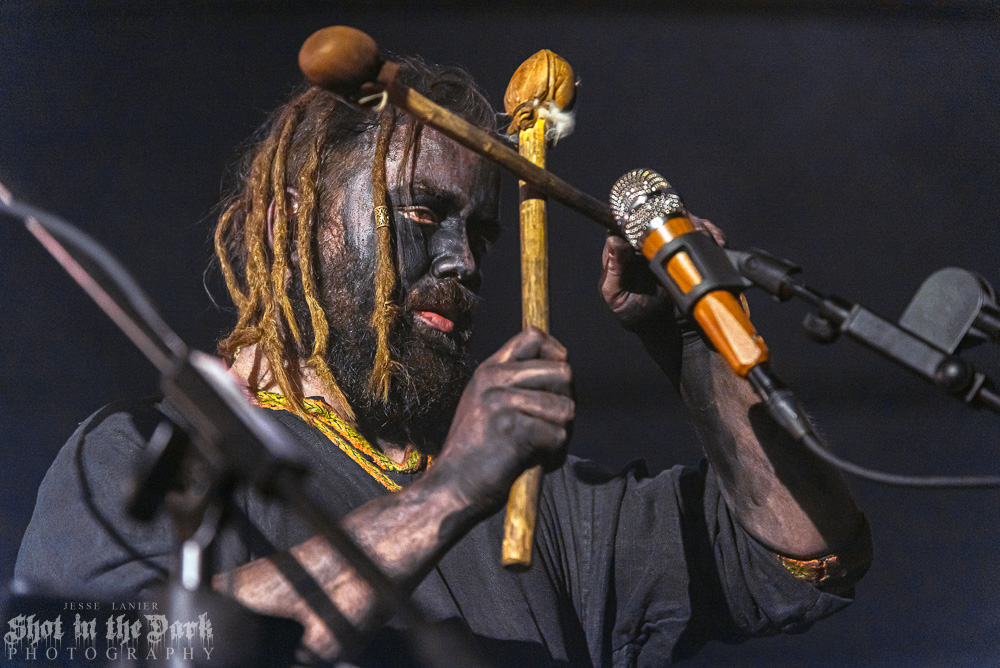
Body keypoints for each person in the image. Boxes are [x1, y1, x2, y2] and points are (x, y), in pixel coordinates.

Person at [15, 56, 871, 666]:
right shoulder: (138, 455)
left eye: (482, 235)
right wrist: (446, 494)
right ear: (291, 224)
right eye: (424, 217)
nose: (464, 263)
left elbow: (807, 553)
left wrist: (692, 344)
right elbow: (69, 648)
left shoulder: (553, 511)